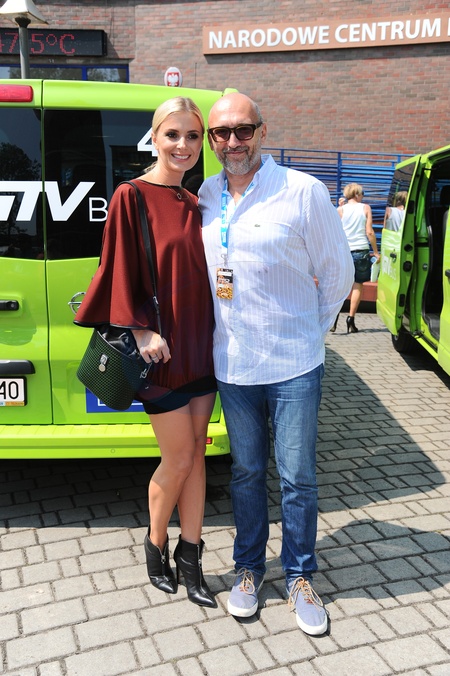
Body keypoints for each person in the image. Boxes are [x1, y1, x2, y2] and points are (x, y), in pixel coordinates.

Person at [198, 92, 354, 635]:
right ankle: (248, 569)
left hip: (293, 365)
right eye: (221, 133)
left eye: (243, 130)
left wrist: (309, 331)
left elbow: (338, 272)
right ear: (212, 141)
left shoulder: (302, 191)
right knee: (245, 473)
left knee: (297, 477)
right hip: (233, 364)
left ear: (263, 132)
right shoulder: (207, 193)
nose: (232, 142)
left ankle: (300, 575)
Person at [74, 97, 217, 608]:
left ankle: (192, 557)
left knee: (197, 453)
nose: (184, 145)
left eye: (193, 136)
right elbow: (116, 270)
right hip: (159, 354)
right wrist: (138, 332)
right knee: (177, 458)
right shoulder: (130, 196)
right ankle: (156, 545)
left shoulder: (197, 202)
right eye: (173, 134)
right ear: (154, 138)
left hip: (202, 348)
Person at [335, 182, 380, 333]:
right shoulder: (365, 208)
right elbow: (369, 232)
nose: (362, 196)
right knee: (357, 285)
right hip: (360, 250)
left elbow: (336, 232)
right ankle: (351, 319)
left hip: (344, 251)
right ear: (356, 194)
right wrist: (376, 252)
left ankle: (334, 318)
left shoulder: (340, 210)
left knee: (341, 285)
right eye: (362, 193)